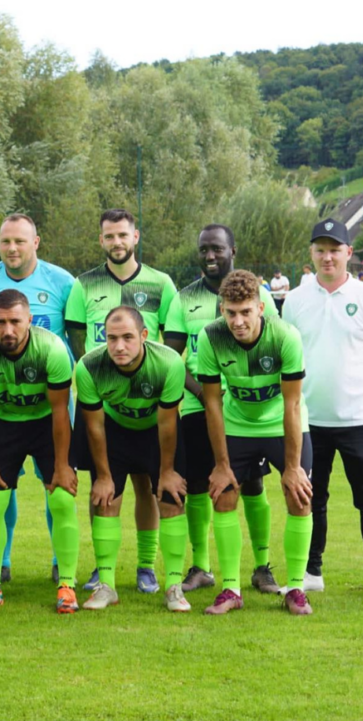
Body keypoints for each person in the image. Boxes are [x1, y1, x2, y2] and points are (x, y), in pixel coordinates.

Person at [65, 208, 177, 594]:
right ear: (101, 240)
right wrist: (103, 373)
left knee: (148, 485)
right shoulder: (84, 285)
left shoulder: (161, 283)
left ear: (136, 237)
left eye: (122, 235)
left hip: (148, 400)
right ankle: (103, 567)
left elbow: (172, 340)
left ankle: (146, 566)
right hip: (102, 399)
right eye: (109, 236)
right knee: (102, 484)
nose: (116, 242)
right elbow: (78, 338)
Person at [163, 224, 280, 595]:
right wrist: (204, 392)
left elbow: (273, 349)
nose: (210, 256)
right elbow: (172, 358)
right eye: (203, 250)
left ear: (233, 250)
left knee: (251, 484)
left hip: (247, 409)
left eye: (216, 249)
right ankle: (202, 566)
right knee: (198, 484)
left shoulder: (261, 297)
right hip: (200, 406)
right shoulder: (184, 299)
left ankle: (262, 566)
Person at [197, 270, 314, 616]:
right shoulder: (210, 337)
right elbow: (213, 403)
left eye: (245, 312)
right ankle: (231, 589)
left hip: (282, 423)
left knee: (299, 495)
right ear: (222, 310)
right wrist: (221, 464)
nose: (238, 321)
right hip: (237, 425)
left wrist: (292, 468)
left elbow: (292, 404)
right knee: (223, 495)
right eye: (230, 312)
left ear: (261, 308)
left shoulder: (285, 336)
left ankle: (295, 588)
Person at [0, 213, 76, 585]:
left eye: (19, 241)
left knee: (57, 485)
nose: (11, 248)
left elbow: (75, 341)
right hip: (1, 408)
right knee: (1, 484)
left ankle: (62, 563)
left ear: (36, 242)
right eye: (4, 241)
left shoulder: (62, 282)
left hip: (51, 404)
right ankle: (2, 561)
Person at [74, 307, 189, 612]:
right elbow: (95, 426)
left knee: (170, 497)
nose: (119, 346)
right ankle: (106, 586)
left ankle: (173, 586)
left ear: (144, 336)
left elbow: (167, 423)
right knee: (106, 498)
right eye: (112, 338)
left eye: (127, 337)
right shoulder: (89, 366)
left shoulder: (168, 363)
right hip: (114, 430)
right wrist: (103, 475)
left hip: (155, 429)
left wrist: (166, 472)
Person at [282, 218, 363, 593]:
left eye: (334, 250)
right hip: (308, 421)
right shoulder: (295, 301)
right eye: (320, 250)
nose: (327, 257)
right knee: (312, 498)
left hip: (357, 418)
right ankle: (311, 573)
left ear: (349, 253)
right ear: (311, 254)